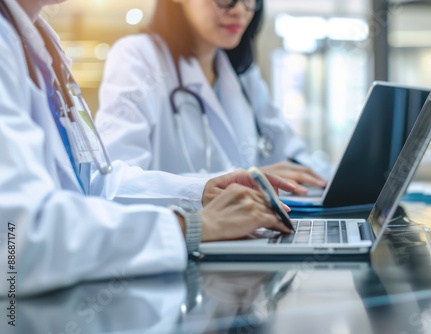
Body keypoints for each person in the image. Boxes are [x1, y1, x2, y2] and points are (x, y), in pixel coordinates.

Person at [0, 0, 296, 296]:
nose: (239, 8)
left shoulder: (36, 43)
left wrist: (201, 191)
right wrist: (188, 227)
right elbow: (18, 240)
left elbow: (91, 184)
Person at [95, 0, 332, 193]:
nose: (239, 9)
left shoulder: (242, 73)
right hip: (183, 240)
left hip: (247, 230)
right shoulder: (138, 56)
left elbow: (291, 156)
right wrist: (217, 185)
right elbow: (116, 179)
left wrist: (340, 178)